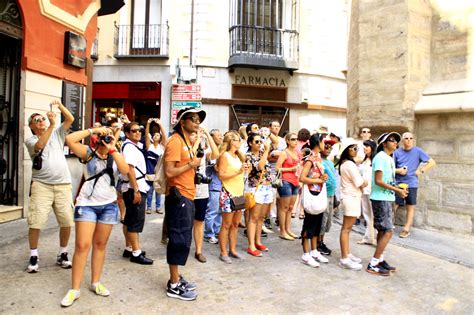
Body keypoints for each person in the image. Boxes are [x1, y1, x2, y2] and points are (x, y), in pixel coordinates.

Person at [60, 126, 129, 307]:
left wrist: (113, 147)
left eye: (109, 137)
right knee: (82, 245)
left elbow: (125, 170)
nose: (106, 139)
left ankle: (95, 282)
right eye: (103, 138)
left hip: (108, 205)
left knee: (100, 244)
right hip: (87, 205)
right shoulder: (88, 153)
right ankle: (74, 289)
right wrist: (93, 130)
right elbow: (70, 140)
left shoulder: (115, 155)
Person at [24, 100, 75, 273]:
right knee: (36, 221)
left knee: (67, 220)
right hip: (42, 185)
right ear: (31, 126)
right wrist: (52, 125)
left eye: (42, 119)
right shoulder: (30, 140)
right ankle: (33, 254)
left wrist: (60, 106)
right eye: (36, 120)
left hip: (63, 185)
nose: (41, 121)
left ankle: (63, 252)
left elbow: (70, 119)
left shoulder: (57, 133)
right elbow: (40, 146)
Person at [163, 107, 205, 300]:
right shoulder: (174, 141)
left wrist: (196, 145)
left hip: (187, 194)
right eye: (193, 119)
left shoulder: (185, 140)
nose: (197, 122)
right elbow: (169, 172)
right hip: (178, 196)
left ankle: (177, 277)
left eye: (198, 120)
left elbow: (190, 158)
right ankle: (173, 284)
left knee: (183, 238)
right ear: (182, 122)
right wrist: (191, 165)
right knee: (179, 239)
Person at [367, 132, 408, 276]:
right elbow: (378, 181)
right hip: (380, 198)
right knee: (389, 231)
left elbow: (387, 179)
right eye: (392, 140)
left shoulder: (389, 158)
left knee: (383, 231)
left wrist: (398, 188)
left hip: (387, 198)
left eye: (397, 140)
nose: (396, 142)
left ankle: (380, 259)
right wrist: (397, 190)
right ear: (384, 144)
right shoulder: (380, 157)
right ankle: (373, 263)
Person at [120, 122, 153, 265]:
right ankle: (136, 252)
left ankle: (129, 247)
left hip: (133, 186)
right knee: (135, 221)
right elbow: (130, 169)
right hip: (135, 186)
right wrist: (136, 190)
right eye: (134, 131)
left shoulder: (132, 146)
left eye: (139, 130)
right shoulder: (129, 148)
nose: (138, 133)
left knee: (129, 219)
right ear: (127, 134)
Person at [394, 132, 436, 238]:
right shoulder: (397, 152)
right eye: (406, 138)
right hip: (399, 183)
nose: (408, 140)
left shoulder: (418, 151)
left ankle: (406, 229)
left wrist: (421, 171)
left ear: (413, 140)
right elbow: (391, 169)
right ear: (402, 141)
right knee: (394, 205)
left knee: (410, 206)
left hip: (412, 183)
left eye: (410, 138)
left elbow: (432, 162)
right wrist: (399, 171)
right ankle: (388, 225)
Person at [335, 138, 368, 271]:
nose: (356, 150)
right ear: (347, 150)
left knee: (346, 229)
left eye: (356, 148)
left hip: (351, 197)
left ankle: (347, 254)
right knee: (346, 229)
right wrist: (364, 181)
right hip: (351, 197)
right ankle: (344, 258)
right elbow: (359, 182)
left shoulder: (346, 163)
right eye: (353, 148)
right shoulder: (348, 164)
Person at [298, 134, 329, 267]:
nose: (325, 145)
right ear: (318, 143)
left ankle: (314, 250)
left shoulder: (318, 159)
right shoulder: (310, 159)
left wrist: (323, 177)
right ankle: (305, 254)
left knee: (317, 224)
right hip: (312, 194)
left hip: (318, 193)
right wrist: (317, 180)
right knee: (309, 224)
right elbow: (302, 178)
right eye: (323, 142)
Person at [217, 130, 247, 263]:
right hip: (228, 192)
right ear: (231, 142)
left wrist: (245, 171)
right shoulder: (225, 156)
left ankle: (232, 250)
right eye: (238, 140)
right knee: (226, 224)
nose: (240, 142)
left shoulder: (238, 156)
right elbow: (221, 175)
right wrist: (238, 172)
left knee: (235, 224)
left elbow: (240, 174)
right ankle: (223, 252)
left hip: (239, 192)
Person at [192, 128, 219, 263]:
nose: (196, 136)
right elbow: (191, 154)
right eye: (192, 134)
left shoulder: (203, 152)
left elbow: (216, 153)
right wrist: (197, 139)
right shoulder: (184, 148)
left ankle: (198, 250)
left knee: (199, 220)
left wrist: (207, 135)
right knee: (185, 221)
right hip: (186, 190)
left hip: (202, 191)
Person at [245, 133, 272, 257]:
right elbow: (260, 167)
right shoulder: (248, 156)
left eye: (260, 141)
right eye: (257, 142)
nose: (260, 144)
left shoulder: (262, 154)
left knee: (261, 217)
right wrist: (266, 150)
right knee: (254, 217)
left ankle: (258, 241)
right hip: (256, 188)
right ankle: (251, 245)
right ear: (250, 143)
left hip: (267, 187)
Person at [275, 132, 300, 240]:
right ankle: (282, 231)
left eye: (296, 139)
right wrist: (290, 169)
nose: (295, 141)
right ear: (288, 141)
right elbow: (277, 168)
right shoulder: (284, 153)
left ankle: (288, 229)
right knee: (284, 207)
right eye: (293, 139)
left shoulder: (298, 153)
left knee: (290, 208)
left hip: (295, 181)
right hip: (285, 181)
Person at [317, 138, 337, 255]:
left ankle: (321, 241)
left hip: (331, 194)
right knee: (322, 219)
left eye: (330, 147)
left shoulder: (329, 162)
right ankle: (318, 243)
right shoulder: (319, 161)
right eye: (326, 146)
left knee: (327, 220)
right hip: (322, 194)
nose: (328, 149)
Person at [204, 129, 224, 244]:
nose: (220, 137)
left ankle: (216, 231)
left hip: (221, 184)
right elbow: (216, 167)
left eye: (221, 135)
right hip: (213, 184)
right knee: (212, 210)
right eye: (218, 135)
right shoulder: (209, 151)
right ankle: (208, 234)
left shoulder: (222, 150)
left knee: (220, 211)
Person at [144, 118, 167, 214]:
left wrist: (160, 125)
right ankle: (149, 207)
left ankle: (158, 207)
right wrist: (148, 124)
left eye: (158, 135)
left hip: (159, 172)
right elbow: (146, 135)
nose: (155, 136)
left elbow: (165, 136)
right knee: (149, 191)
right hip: (150, 171)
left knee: (158, 191)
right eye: (154, 135)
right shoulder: (150, 146)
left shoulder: (162, 147)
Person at [358, 139, 377, 245]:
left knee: (373, 215)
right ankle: (368, 237)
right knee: (367, 215)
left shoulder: (375, 161)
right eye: (364, 146)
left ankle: (375, 238)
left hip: (372, 191)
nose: (365, 148)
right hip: (364, 191)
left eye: (367, 146)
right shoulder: (365, 161)